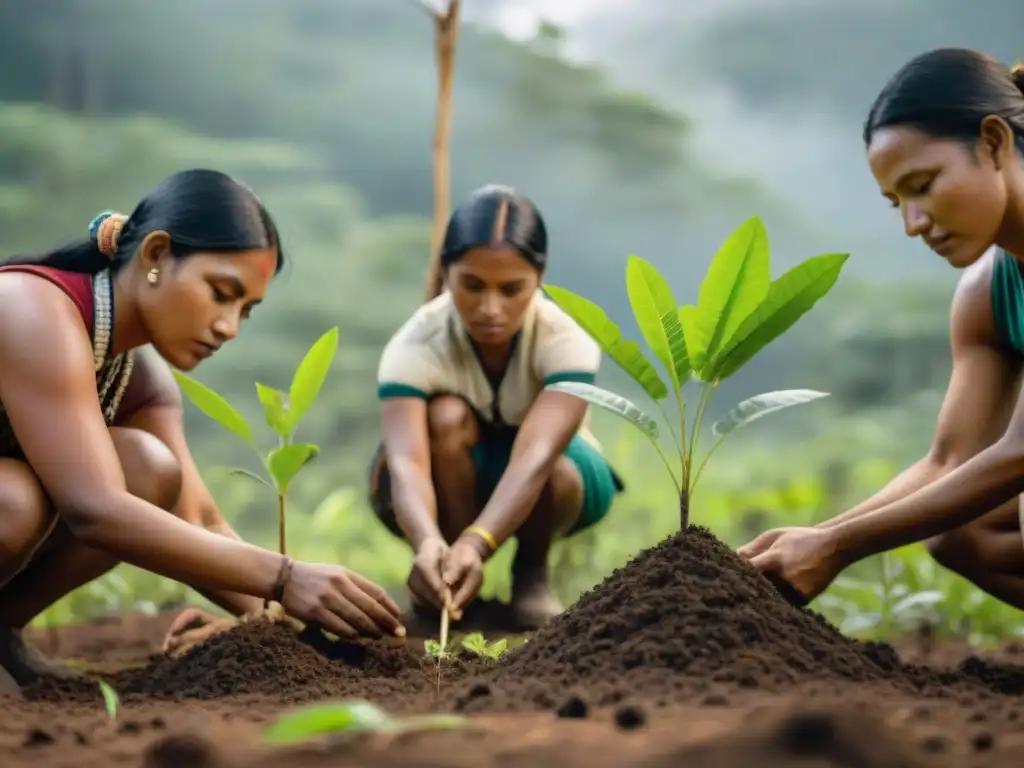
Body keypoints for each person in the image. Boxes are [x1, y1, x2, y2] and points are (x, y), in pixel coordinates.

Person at [0, 168, 404, 693]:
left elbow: (198, 520)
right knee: (14, 502)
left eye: (246, 311)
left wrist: (287, 623)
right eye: (220, 293)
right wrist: (285, 577)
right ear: (156, 255)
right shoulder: (30, 308)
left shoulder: (135, 375)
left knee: (149, 469)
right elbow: (93, 509)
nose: (228, 327)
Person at [740, 48, 1024, 607]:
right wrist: (814, 538)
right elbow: (949, 461)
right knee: (960, 531)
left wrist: (839, 546)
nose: (914, 224)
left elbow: (1019, 452)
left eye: (924, 185)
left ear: (993, 143)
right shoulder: (985, 293)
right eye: (896, 202)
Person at [367, 184, 624, 629]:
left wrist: (479, 542)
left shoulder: (567, 342)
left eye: (511, 289)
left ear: (540, 275)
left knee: (556, 468)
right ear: (446, 271)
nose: (490, 308)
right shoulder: (414, 344)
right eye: (472, 285)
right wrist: (428, 540)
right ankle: (444, 578)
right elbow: (407, 463)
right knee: (444, 416)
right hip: (446, 476)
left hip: (551, 477)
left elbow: (536, 457)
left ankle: (531, 575)